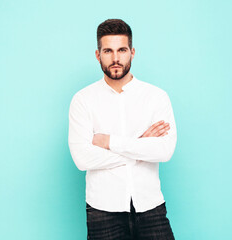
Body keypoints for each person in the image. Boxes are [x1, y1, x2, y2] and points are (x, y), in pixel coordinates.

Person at [68, 19, 177, 240]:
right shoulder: (83, 100)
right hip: (102, 210)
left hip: (151, 207)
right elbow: (82, 159)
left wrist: (109, 141)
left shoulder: (156, 97)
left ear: (132, 52)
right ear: (98, 55)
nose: (115, 58)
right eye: (108, 51)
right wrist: (141, 143)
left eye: (122, 50)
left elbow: (164, 151)